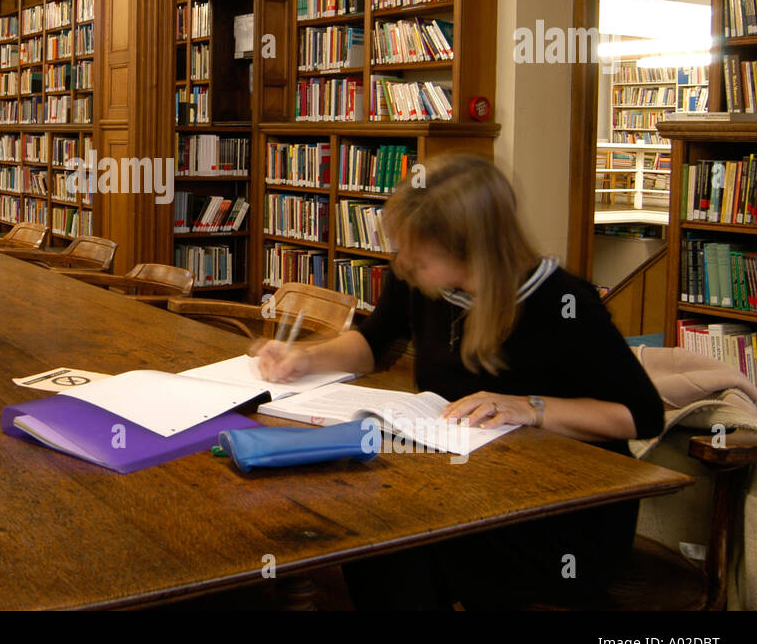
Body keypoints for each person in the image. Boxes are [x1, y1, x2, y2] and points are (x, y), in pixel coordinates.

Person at [255, 153, 665, 610]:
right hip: (462, 483)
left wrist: (530, 407)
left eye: (421, 254)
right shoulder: (420, 280)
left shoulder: (565, 303)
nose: (404, 263)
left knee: (391, 545)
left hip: (561, 515)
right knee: (368, 529)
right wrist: (303, 359)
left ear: (473, 250)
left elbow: (642, 415)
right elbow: (375, 343)